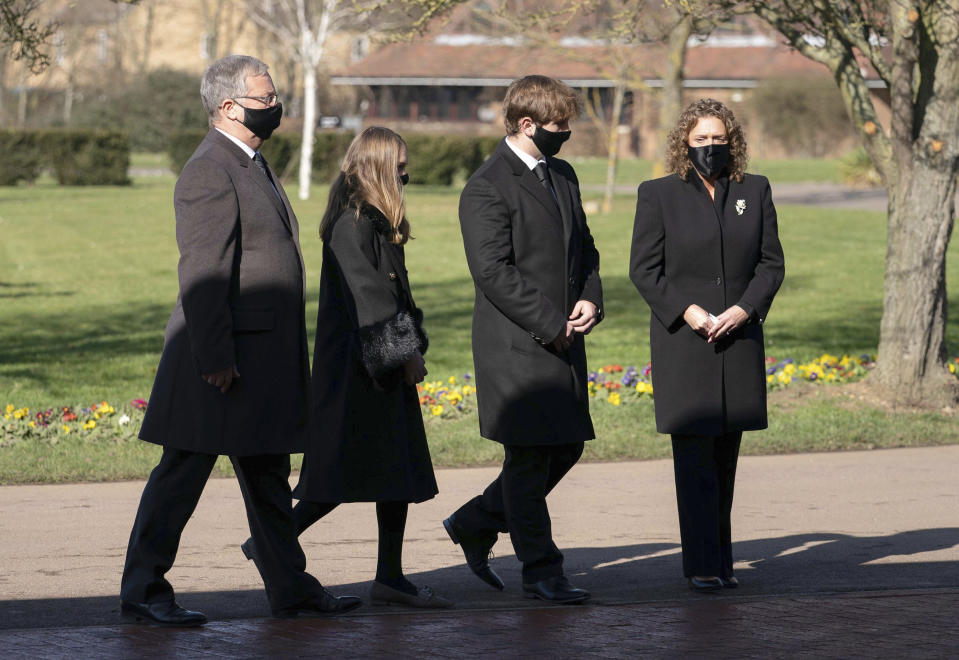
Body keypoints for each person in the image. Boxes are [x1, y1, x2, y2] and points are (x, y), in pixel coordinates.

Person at [120, 54, 361, 625]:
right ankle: (143, 591)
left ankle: (292, 589)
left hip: (257, 363)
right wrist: (216, 359)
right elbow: (204, 276)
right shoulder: (211, 169)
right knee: (180, 479)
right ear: (227, 106)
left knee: (268, 480)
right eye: (265, 98)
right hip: (220, 364)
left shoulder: (249, 161)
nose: (275, 106)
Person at [240, 127, 450, 608]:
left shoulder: (370, 221)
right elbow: (371, 299)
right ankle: (272, 544)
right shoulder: (352, 225)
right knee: (335, 477)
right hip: (359, 374)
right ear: (377, 166)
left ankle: (390, 578)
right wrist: (406, 354)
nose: (406, 171)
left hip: (376, 368)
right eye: (399, 163)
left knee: (392, 474)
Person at [442, 75, 603, 604]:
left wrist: (589, 297)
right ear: (527, 124)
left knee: (566, 447)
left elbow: (586, 249)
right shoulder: (487, 185)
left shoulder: (564, 174)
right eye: (559, 127)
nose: (567, 136)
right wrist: (551, 322)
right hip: (516, 344)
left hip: (562, 337)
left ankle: (477, 519)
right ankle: (541, 569)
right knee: (530, 457)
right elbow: (491, 271)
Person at [629, 98, 785, 592]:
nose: (711, 147)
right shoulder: (658, 194)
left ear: (732, 141)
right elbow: (644, 270)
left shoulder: (753, 190)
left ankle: (723, 560)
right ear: (685, 142)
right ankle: (700, 563)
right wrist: (688, 311)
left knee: (726, 458)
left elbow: (770, 264)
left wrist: (744, 309)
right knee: (694, 459)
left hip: (737, 339)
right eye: (701, 140)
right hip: (686, 344)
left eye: (719, 139)